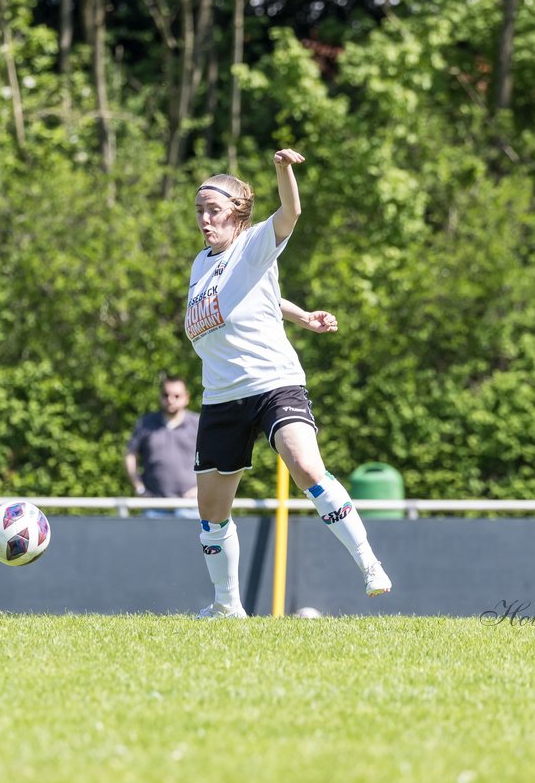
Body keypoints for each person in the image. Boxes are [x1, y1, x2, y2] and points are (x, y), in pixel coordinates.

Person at [184, 148, 392, 618]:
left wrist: (283, 172)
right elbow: (262, 296)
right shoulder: (202, 264)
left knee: (305, 467)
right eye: (199, 211)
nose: (203, 219)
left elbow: (291, 212)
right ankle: (226, 606)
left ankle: (370, 564)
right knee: (211, 512)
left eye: (212, 210)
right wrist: (302, 316)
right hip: (220, 396)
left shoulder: (254, 241)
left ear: (237, 214)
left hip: (272, 382)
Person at [125, 377, 200, 517]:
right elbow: (130, 455)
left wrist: (201, 489)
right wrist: (139, 488)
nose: (170, 399)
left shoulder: (198, 424)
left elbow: (216, 459)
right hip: (154, 506)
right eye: (166, 395)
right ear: (160, 396)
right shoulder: (145, 424)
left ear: (186, 397)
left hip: (192, 506)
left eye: (176, 395)